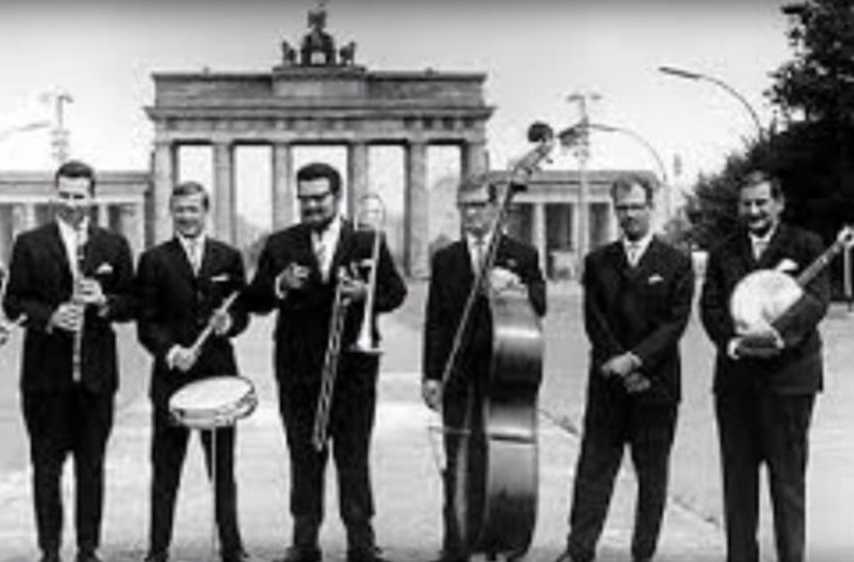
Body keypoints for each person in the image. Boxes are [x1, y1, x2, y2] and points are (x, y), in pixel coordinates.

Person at [247, 162, 407, 562]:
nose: (312, 206)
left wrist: (366, 293)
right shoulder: (280, 243)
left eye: (319, 198)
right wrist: (280, 284)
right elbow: (255, 300)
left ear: (337, 196)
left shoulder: (367, 240)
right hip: (297, 374)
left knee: (353, 458)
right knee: (303, 458)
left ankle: (361, 543)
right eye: (304, 199)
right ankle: (304, 543)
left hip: (353, 371)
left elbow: (396, 292)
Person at [554, 174, 694, 562]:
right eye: (623, 208)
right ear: (615, 211)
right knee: (593, 473)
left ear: (651, 208)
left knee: (652, 478)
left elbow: (674, 324)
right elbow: (594, 321)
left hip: (656, 388)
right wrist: (617, 363)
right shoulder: (598, 262)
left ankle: (643, 553)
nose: (630, 215)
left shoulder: (676, 263)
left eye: (637, 207)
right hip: (607, 386)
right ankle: (579, 550)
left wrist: (635, 361)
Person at [4, 160, 136, 562]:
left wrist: (104, 301)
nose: (71, 204)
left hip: (96, 379)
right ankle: (49, 551)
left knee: (91, 468)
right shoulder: (29, 243)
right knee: (46, 469)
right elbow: (13, 303)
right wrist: (51, 316)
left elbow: (133, 303)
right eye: (64, 195)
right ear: (54, 194)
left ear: (92, 197)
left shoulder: (113, 245)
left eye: (79, 196)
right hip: (45, 380)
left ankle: (87, 549)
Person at [699, 170, 828, 562]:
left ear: (779, 203)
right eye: (746, 204)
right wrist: (735, 342)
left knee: (788, 485)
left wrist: (775, 335)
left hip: (790, 382)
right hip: (736, 383)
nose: (753, 211)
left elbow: (815, 302)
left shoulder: (806, 244)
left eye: (761, 202)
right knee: (738, 487)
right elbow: (711, 307)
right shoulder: (723, 251)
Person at [421, 171, 547, 562]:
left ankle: (499, 538)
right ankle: (456, 543)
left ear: (495, 207)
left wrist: (516, 285)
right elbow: (436, 322)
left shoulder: (522, 255)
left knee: (499, 462)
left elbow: (540, 303)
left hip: (504, 370)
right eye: (465, 207)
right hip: (458, 377)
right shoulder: (446, 259)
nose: (471, 214)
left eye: (478, 205)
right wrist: (431, 375)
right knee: (457, 462)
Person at [137, 181, 250, 562]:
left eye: (193, 209)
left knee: (223, 471)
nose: (186, 216)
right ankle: (157, 551)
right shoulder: (153, 260)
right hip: (171, 382)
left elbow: (242, 314)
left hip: (219, 381)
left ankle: (232, 548)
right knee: (165, 473)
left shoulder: (229, 257)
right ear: (171, 212)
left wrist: (228, 323)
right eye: (180, 210)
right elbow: (146, 323)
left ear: (205, 211)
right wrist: (171, 352)